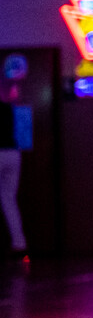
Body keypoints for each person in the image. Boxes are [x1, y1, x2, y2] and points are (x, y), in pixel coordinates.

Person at [0, 105, 24, 263]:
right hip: (13, 153)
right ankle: (19, 243)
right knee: (9, 200)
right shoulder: (7, 108)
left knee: (8, 199)